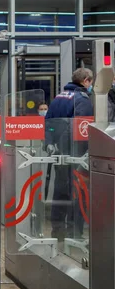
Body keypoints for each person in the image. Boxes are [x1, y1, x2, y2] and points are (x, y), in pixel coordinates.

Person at [45, 68, 93, 242]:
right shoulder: (83, 100)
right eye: (90, 82)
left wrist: (51, 144)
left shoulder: (59, 97)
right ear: (86, 81)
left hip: (58, 154)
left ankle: (57, 230)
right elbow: (80, 130)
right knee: (77, 193)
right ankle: (75, 233)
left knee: (60, 192)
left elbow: (48, 123)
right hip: (75, 155)